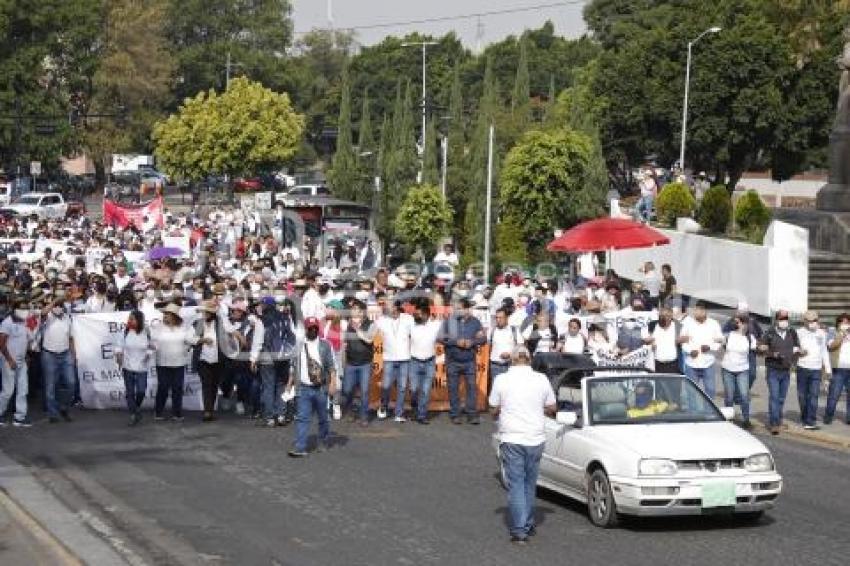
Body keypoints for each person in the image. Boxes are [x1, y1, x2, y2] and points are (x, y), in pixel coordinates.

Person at [488, 345, 556, 545]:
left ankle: (520, 530)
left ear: (513, 359)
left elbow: (492, 408)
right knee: (529, 483)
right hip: (535, 437)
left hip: (512, 437)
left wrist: (500, 409)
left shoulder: (502, 379)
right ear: (529, 358)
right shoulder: (541, 379)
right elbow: (552, 406)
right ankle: (526, 523)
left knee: (516, 484)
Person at [287, 317, 336, 458]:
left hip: (321, 388)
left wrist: (333, 383)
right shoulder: (299, 346)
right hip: (304, 387)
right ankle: (300, 447)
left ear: (318, 329)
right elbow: (293, 366)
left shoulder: (325, 345)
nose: (313, 330)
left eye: (315, 328)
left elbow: (331, 366)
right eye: (310, 328)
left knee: (323, 418)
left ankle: (323, 440)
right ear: (306, 329)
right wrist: (289, 384)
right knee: (302, 418)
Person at [151, 303, 200, 422]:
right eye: (165, 314)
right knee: (163, 387)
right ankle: (158, 412)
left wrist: (201, 339)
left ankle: (177, 413)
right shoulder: (158, 327)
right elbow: (154, 341)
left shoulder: (184, 327)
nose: (165, 316)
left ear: (174, 316)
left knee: (177, 388)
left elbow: (191, 340)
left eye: (168, 314)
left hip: (179, 363)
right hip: (162, 363)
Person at [440, 298, 486, 425]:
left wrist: (473, 342)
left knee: (471, 388)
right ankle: (455, 414)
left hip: (469, 361)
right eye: (456, 308)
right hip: (452, 361)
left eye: (459, 308)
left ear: (467, 309)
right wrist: (456, 342)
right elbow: (441, 338)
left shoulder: (475, 322)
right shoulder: (449, 322)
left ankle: (471, 414)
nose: (457, 310)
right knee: (453, 388)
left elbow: (483, 339)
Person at [758, 310, 800, 435]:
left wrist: (795, 359)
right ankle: (774, 424)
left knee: (781, 398)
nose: (784, 321)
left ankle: (779, 420)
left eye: (786, 318)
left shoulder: (792, 332)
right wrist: (772, 353)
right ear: (776, 320)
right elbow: (760, 349)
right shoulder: (769, 333)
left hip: (786, 370)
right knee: (774, 397)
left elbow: (796, 348)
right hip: (773, 370)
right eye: (781, 319)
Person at [376, 300, 413, 422]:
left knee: (402, 387)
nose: (388, 308)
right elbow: (370, 330)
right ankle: (384, 406)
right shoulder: (382, 320)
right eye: (387, 306)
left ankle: (399, 413)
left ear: (397, 307)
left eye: (390, 306)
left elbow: (417, 333)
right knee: (386, 385)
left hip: (404, 358)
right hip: (389, 358)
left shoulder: (408, 318)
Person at [115, 310, 154, 426]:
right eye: (129, 319)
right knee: (130, 393)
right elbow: (119, 345)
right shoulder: (125, 332)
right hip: (128, 366)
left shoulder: (146, 332)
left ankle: (135, 409)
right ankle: (134, 413)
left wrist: (148, 353)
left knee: (141, 391)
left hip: (142, 367)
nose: (130, 321)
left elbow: (153, 345)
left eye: (132, 319)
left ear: (139, 320)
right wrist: (118, 356)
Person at [41, 298, 76, 424]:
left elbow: (71, 338)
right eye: (56, 305)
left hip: (65, 354)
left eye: (60, 305)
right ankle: (52, 414)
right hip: (49, 354)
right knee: (50, 386)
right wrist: (54, 301)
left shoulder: (67, 318)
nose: (58, 307)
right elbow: (43, 312)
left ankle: (64, 408)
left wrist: (74, 355)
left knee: (71, 383)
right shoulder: (48, 317)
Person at [0, 302, 35, 427]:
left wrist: (26, 356)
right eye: (21, 308)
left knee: (23, 389)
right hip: (8, 361)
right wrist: (10, 360)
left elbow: (25, 341)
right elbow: (2, 344)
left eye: (26, 309)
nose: (24, 311)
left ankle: (20, 417)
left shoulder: (24, 322)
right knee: (8, 391)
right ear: (14, 309)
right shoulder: (7, 323)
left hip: (22, 361)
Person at [341, 301, 376, 426]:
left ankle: (364, 416)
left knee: (364, 390)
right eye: (352, 309)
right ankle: (350, 410)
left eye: (355, 309)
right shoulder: (347, 325)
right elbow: (344, 344)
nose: (352, 311)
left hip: (365, 363)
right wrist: (343, 361)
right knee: (347, 390)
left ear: (362, 312)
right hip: (350, 363)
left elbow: (369, 339)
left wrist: (357, 329)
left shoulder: (371, 324)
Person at [679, 302, 723, 399]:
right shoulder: (687, 324)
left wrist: (710, 347)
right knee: (691, 392)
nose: (695, 313)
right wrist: (690, 351)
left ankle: (708, 413)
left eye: (698, 311)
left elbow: (720, 340)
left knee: (710, 390)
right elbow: (683, 341)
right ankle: (693, 413)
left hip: (708, 363)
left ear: (704, 312)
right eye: (695, 310)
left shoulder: (714, 324)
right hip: (691, 363)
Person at [795, 310, 830, 430]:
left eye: (814, 320)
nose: (812, 323)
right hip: (802, 367)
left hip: (816, 369)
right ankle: (805, 417)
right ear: (805, 321)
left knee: (814, 395)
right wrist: (798, 351)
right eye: (809, 321)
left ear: (818, 320)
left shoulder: (822, 333)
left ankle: (810, 421)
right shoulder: (798, 332)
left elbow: (824, 351)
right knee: (802, 396)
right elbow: (793, 348)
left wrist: (828, 368)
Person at [720, 312, 755, 428]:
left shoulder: (750, 337)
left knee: (744, 395)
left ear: (745, 324)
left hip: (743, 369)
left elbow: (758, 348)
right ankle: (728, 418)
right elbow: (720, 342)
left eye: (740, 322)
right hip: (727, 369)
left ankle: (746, 419)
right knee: (729, 396)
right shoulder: (729, 335)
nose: (738, 324)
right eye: (736, 322)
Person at [409, 301, 441, 424]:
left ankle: (421, 415)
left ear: (427, 315)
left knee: (426, 390)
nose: (415, 316)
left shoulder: (436, 325)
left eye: (418, 314)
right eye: (415, 313)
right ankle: (414, 407)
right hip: (414, 361)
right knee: (414, 388)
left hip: (429, 362)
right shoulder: (411, 324)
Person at [194, 301, 222, 422]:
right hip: (203, 358)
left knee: (214, 385)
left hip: (218, 359)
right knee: (206, 384)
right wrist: (202, 340)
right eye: (205, 312)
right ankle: (207, 411)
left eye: (207, 312)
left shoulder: (219, 323)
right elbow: (191, 338)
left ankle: (210, 409)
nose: (205, 314)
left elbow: (228, 333)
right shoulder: (199, 323)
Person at [825, 313, 850, 425]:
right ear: (838, 323)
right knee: (834, 394)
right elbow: (831, 346)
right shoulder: (832, 332)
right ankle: (828, 416)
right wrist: (841, 335)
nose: (845, 324)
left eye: (847, 322)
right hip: (839, 369)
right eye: (842, 322)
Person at [489, 308, 521, 384]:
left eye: (501, 317)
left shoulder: (514, 330)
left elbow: (521, 348)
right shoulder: (492, 330)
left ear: (507, 318)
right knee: (496, 390)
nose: (498, 320)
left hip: (510, 366)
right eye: (496, 317)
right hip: (495, 366)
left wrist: (510, 354)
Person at [645, 307, 680, 374]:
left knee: (673, 384)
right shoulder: (652, 325)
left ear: (671, 316)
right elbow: (645, 340)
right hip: (656, 363)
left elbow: (683, 339)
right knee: (658, 384)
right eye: (661, 316)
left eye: (667, 316)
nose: (664, 318)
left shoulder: (677, 326)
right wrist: (649, 342)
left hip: (673, 364)